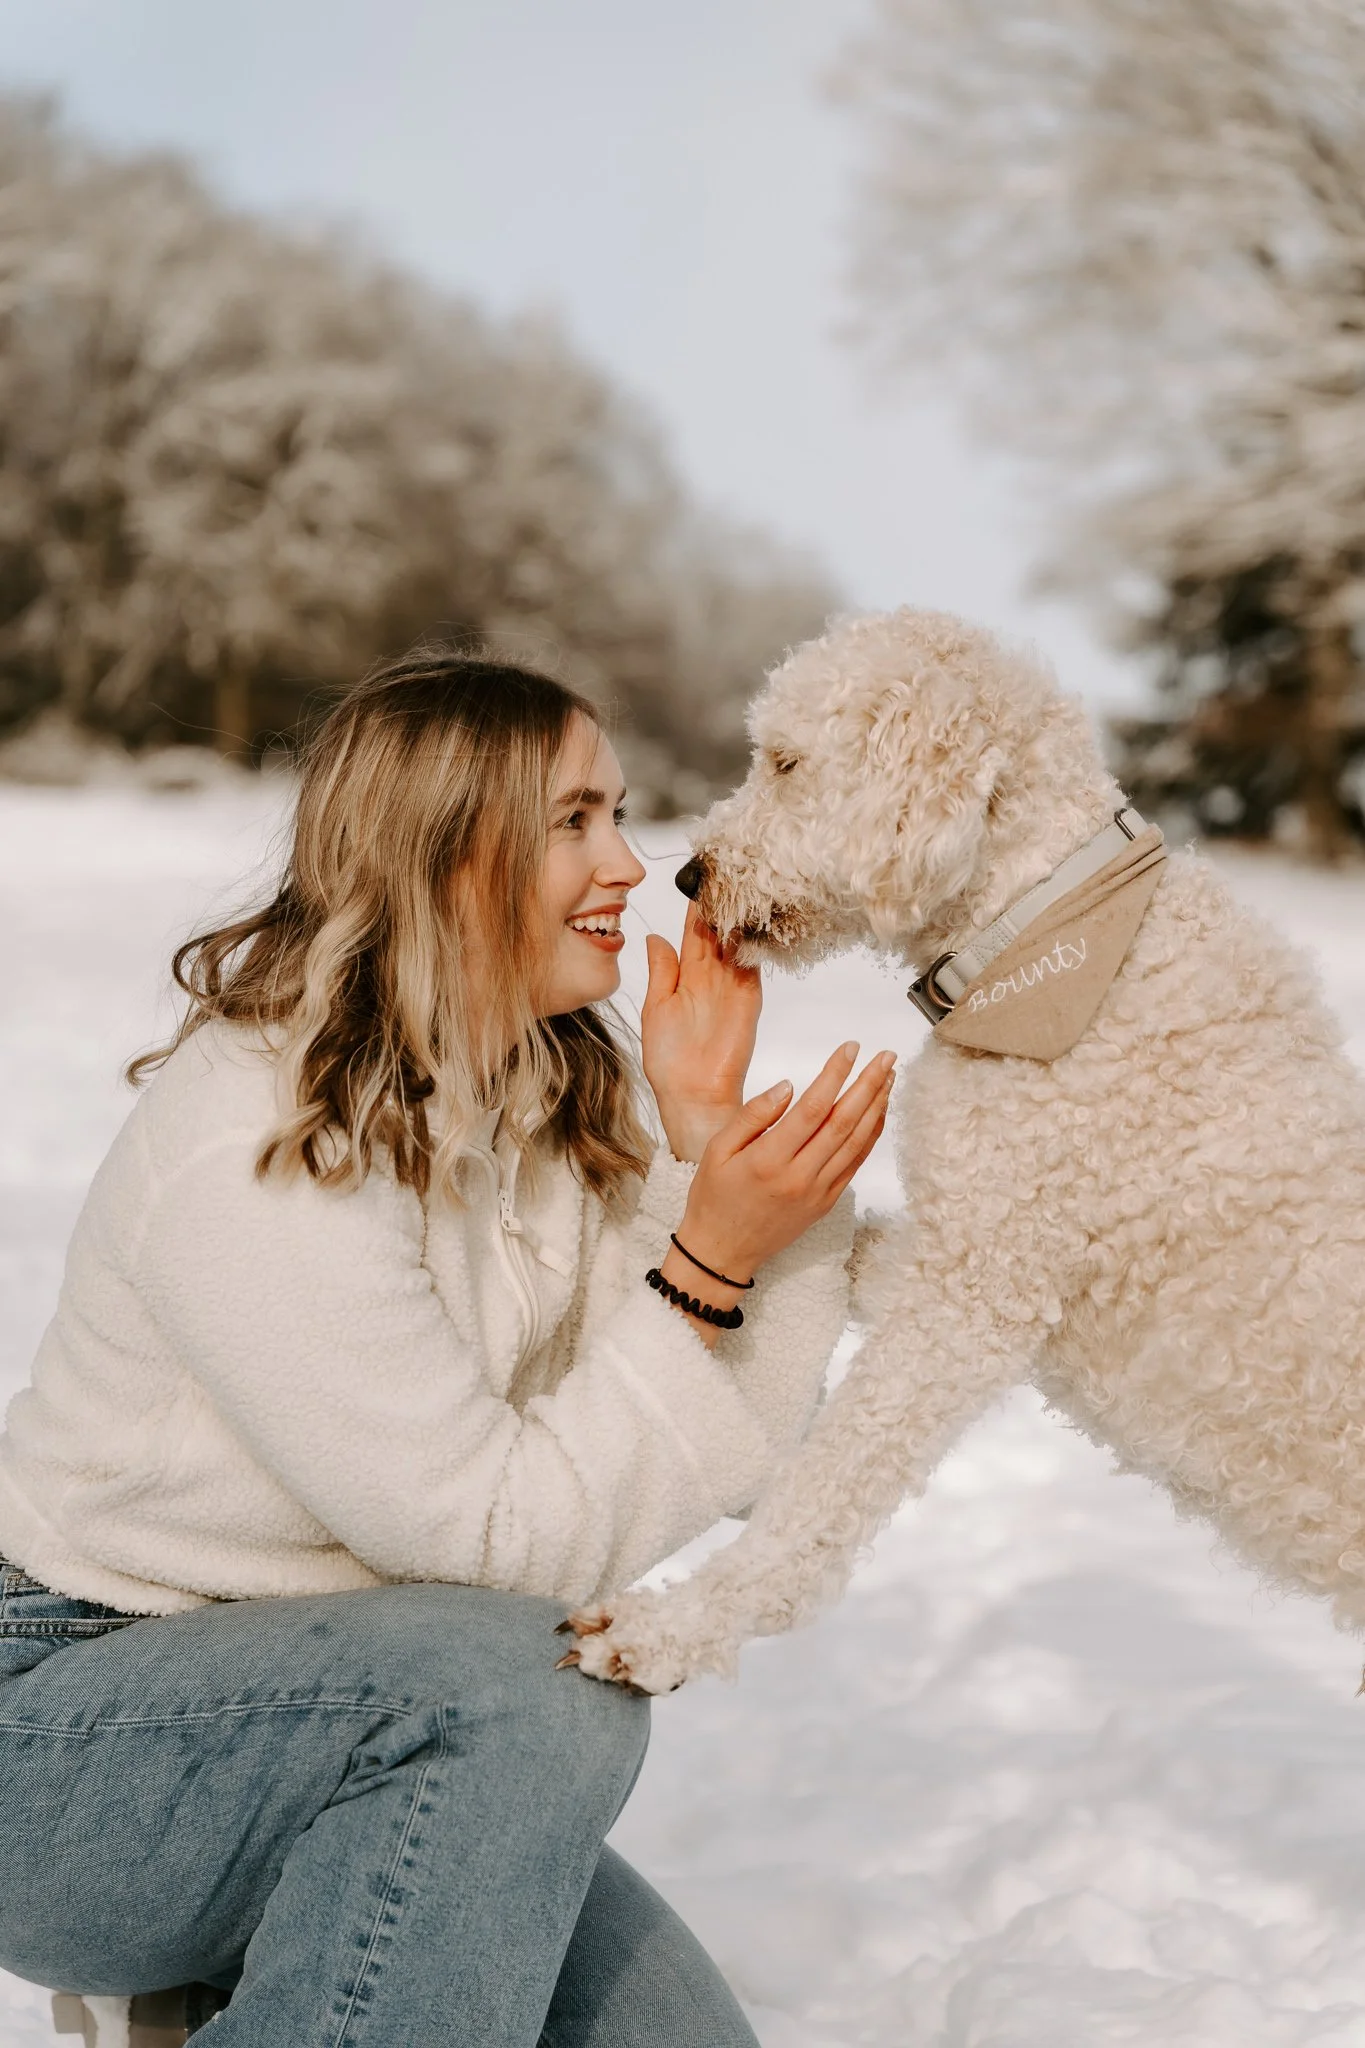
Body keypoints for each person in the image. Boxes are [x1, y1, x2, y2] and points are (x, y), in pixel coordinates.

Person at [0, 648, 895, 2046]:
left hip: (355, 1712)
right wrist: (710, 1254)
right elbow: (502, 1552)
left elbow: (712, 1448)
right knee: (539, 1691)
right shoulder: (260, 1138)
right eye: (575, 820)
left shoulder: (536, 1103)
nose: (630, 863)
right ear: (442, 855)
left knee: (668, 2031)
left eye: (618, 811)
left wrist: (699, 1140)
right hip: (68, 1733)